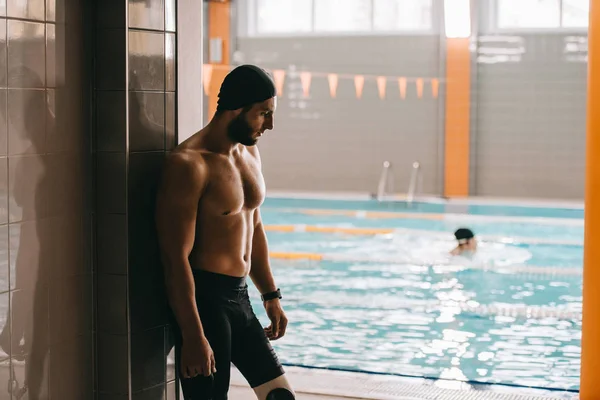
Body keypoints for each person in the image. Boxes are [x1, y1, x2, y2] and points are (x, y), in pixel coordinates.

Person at [156, 64, 295, 400]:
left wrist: (271, 296)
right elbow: (175, 259)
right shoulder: (190, 164)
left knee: (280, 396)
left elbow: (254, 226)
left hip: (241, 297)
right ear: (236, 109)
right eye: (263, 114)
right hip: (206, 303)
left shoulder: (249, 152)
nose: (270, 124)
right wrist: (193, 335)